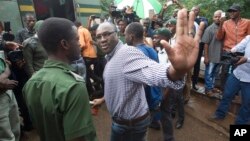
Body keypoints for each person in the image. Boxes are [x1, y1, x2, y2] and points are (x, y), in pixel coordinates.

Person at [92, 9, 205, 141]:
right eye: (99, 36)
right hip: (122, 122)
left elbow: (155, 72)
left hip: (130, 126)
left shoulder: (127, 54)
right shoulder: (110, 57)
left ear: (118, 34)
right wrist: (103, 99)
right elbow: (117, 85)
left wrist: (176, 72)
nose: (103, 39)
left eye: (106, 34)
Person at [22, 17, 97, 141]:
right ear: (64, 44)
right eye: (77, 39)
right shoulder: (74, 86)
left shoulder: (30, 84)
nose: (79, 44)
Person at [124, 22, 162, 130]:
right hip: (154, 91)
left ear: (131, 37)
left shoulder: (138, 52)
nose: (124, 36)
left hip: (147, 94)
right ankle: (154, 122)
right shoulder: (150, 49)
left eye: (125, 34)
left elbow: (141, 79)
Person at [210, 35, 250, 124]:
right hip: (238, 73)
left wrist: (247, 59)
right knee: (227, 95)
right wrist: (232, 51)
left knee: (247, 103)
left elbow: (246, 59)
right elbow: (240, 46)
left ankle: (240, 125)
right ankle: (219, 114)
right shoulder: (249, 38)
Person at [216, 4, 250, 89]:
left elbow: (249, 38)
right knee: (224, 72)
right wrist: (221, 24)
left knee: (237, 72)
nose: (231, 13)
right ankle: (223, 90)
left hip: (240, 52)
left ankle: (234, 92)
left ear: (239, 12)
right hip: (227, 51)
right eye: (230, 11)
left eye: (234, 11)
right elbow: (219, 37)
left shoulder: (247, 22)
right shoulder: (226, 23)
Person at [0, 39, 20, 141]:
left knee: (15, 128)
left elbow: (6, 66)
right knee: (5, 136)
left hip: (7, 91)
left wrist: (4, 75)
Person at [201, 10, 223, 96]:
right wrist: (206, 57)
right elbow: (206, 44)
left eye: (219, 16)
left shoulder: (224, 28)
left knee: (214, 74)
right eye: (216, 16)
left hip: (219, 57)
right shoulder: (209, 29)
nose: (218, 18)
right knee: (209, 73)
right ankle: (208, 89)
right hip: (211, 56)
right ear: (213, 18)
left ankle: (212, 87)